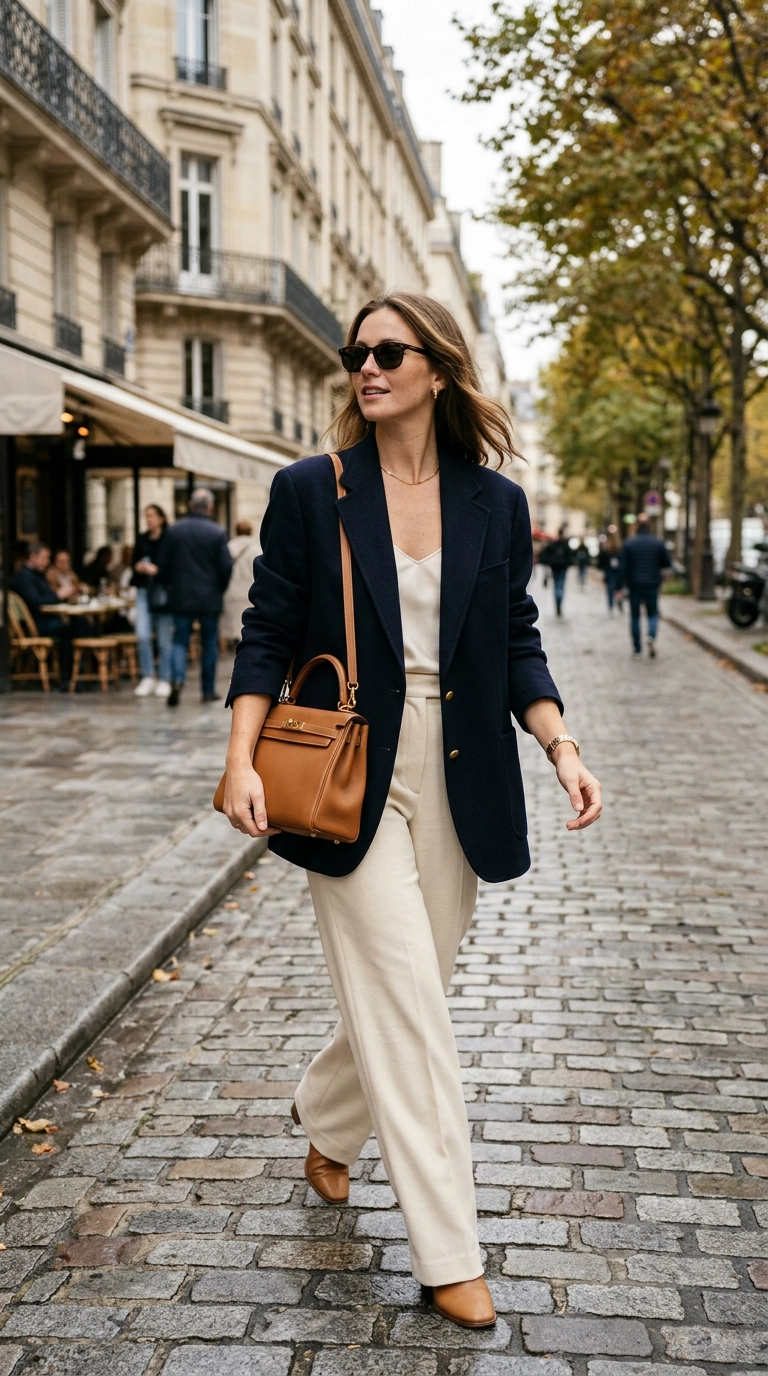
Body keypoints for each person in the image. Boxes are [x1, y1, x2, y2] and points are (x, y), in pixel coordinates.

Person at [221, 291, 602, 1330]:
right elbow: (265, 631)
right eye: (357, 353)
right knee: (415, 1009)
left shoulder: (497, 502)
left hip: (461, 765)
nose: (366, 366)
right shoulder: (313, 489)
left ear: (438, 367)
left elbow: (518, 636)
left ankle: (327, 1116)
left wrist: (560, 744)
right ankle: (448, 1248)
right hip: (348, 768)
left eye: (388, 350)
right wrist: (238, 753)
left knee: (408, 985)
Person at [158, 487, 233, 706]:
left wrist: (170, 587)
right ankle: (208, 690)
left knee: (180, 640)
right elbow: (226, 566)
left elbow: (163, 565)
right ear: (210, 507)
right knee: (209, 643)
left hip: (180, 596)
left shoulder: (174, 531)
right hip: (209, 597)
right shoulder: (217, 532)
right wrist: (220, 587)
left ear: (190, 505)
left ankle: (178, 680)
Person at [11, 542, 88, 686]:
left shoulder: (38, 575)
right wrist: (58, 595)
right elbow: (37, 602)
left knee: (80, 623)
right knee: (69, 629)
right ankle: (68, 677)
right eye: (45, 558)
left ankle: (79, 673)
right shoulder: (25, 577)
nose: (47, 563)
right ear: (33, 557)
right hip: (35, 625)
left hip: (44, 619)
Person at [131, 504, 173, 697]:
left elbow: (174, 566)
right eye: (146, 515)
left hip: (163, 592)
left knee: (164, 637)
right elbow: (133, 562)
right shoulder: (142, 539)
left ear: (161, 518)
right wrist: (139, 567)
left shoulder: (169, 539)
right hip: (143, 590)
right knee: (143, 634)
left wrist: (157, 571)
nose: (148, 519)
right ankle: (148, 675)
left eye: (151, 516)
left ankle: (165, 678)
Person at [618, 512, 672, 657]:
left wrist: (619, 586)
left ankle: (637, 647)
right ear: (650, 526)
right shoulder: (658, 543)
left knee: (635, 616)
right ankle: (651, 636)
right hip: (652, 584)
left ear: (637, 526)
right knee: (652, 614)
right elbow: (667, 563)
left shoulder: (629, 543)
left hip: (634, 585)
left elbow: (622, 567)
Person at [221, 519, 260, 644]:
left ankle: (230, 645)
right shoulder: (256, 550)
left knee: (231, 624)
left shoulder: (228, 548)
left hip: (231, 591)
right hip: (248, 591)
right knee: (245, 623)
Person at [539, 525, 573, 616]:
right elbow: (570, 557)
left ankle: (558, 603)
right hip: (561, 567)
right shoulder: (565, 545)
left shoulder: (554, 544)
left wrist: (550, 562)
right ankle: (559, 601)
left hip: (556, 567)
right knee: (560, 585)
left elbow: (545, 554)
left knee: (557, 585)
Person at [597, 526, 622, 612]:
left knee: (614, 587)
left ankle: (614, 602)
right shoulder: (609, 550)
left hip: (613, 570)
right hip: (611, 570)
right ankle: (613, 602)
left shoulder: (618, 549)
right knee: (614, 587)